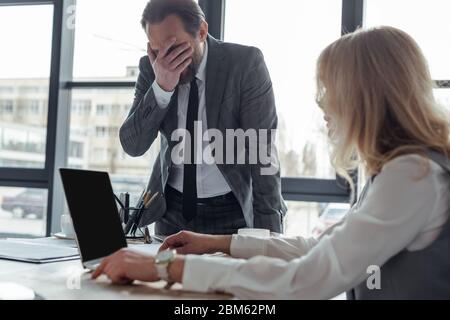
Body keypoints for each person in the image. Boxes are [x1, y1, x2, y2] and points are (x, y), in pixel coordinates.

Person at [95, 26, 450, 299]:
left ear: (365, 97)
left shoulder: (412, 176)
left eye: (329, 91)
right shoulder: (398, 168)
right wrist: (220, 243)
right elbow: (322, 248)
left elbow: (309, 278)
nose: (323, 106)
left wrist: (166, 267)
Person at [119, 0, 286, 235]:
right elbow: (132, 145)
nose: (166, 60)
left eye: (175, 48)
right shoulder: (152, 68)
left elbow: (262, 152)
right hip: (171, 211)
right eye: (157, 51)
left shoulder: (245, 64)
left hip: (232, 211)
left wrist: (270, 236)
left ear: (202, 32)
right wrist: (161, 87)